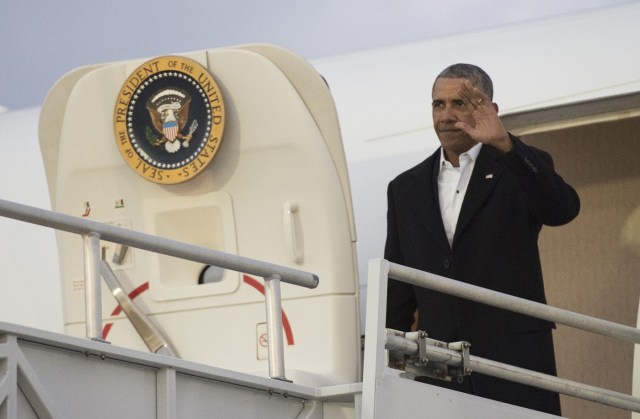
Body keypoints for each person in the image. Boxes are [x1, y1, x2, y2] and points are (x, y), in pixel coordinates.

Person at [384, 63, 580, 415]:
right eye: (437, 104)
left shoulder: (516, 165)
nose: (446, 115)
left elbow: (561, 211)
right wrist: (391, 363)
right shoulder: (405, 188)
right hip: (438, 364)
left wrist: (505, 144)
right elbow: (398, 286)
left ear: (490, 109)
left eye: (459, 104)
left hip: (513, 357)